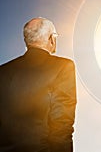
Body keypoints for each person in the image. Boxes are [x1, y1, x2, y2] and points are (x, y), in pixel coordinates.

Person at [0, 17, 77, 152]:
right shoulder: (63, 67)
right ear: (51, 39)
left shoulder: (3, 71)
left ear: (26, 41)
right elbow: (61, 126)